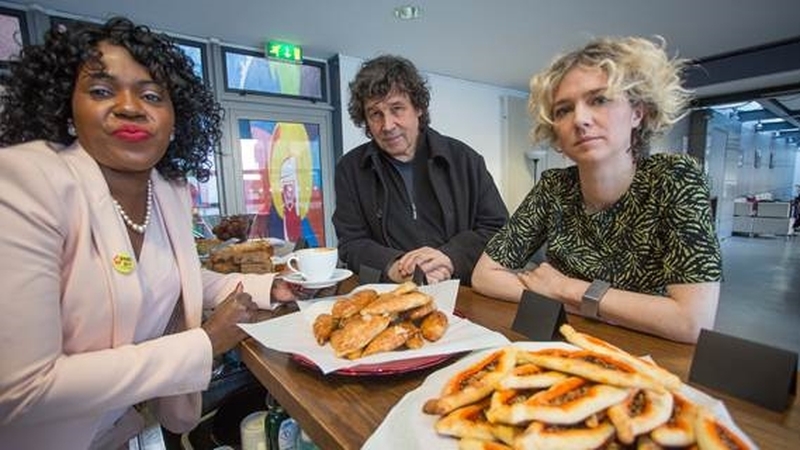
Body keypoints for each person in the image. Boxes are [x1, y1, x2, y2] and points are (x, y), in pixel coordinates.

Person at [0, 17, 303, 449]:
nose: (129, 106)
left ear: (175, 116)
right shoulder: (27, 182)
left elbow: (175, 277)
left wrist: (269, 287)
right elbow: (22, 389)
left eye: (151, 95)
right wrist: (205, 342)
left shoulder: (167, 191)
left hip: (117, 431)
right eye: (102, 90)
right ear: (67, 108)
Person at [472, 36, 722, 343]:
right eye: (563, 110)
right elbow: (485, 275)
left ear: (637, 112)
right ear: (556, 135)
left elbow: (693, 321)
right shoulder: (554, 187)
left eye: (599, 100)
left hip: (648, 354)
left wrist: (567, 289)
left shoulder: (675, 178)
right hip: (563, 341)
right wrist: (585, 305)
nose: (580, 119)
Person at [333, 55, 508, 286]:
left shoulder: (466, 160)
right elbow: (351, 243)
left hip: (462, 292)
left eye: (397, 109)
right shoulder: (350, 169)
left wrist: (449, 257)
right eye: (375, 114)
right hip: (390, 294)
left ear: (418, 108)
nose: (387, 125)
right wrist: (393, 266)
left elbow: (499, 230)